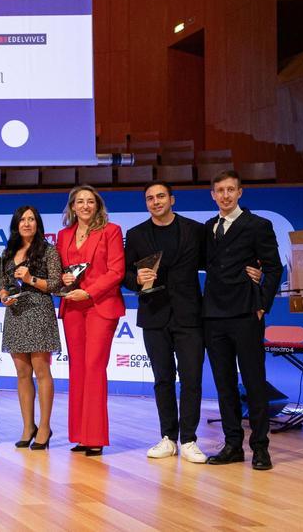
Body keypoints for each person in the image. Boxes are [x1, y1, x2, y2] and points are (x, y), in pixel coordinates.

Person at [121, 182, 208, 462]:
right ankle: (168, 438)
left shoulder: (195, 230)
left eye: (160, 196)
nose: (156, 202)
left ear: (172, 199)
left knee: (192, 379)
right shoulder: (136, 234)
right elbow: (125, 274)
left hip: (189, 315)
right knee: (163, 379)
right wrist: (137, 279)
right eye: (150, 198)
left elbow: (215, 263)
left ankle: (189, 439)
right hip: (154, 314)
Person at [201, 170, 282, 470]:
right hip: (213, 316)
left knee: (254, 382)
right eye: (220, 190)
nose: (225, 195)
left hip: (246, 313)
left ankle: (260, 448)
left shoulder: (258, 225)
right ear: (213, 195)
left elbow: (274, 268)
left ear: (240, 192)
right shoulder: (208, 227)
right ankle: (232, 445)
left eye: (230, 190)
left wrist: (261, 304)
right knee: (224, 384)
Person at [56, 185, 125, 457]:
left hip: (100, 305)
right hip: (73, 306)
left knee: (94, 367)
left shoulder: (111, 231)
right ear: (72, 207)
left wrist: (89, 291)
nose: (85, 206)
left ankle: (95, 437)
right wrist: (64, 278)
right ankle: (80, 436)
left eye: (90, 201)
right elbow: (62, 271)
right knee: (78, 370)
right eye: (80, 201)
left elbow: (116, 271)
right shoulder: (64, 235)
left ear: (97, 206)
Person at [0, 205, 62, 450]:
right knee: (22, 373)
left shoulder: (48, 250)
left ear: (38, 224)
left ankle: (44, 427)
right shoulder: (8, 252)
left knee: (41, 371)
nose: (26, 223)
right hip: (15, 313)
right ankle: (28, 426)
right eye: (22, 220)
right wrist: (4, 295)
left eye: (31, 219)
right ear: (16, 224)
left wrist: (30, 279)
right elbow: (3, 284)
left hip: (39, 312)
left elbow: (56, 284)